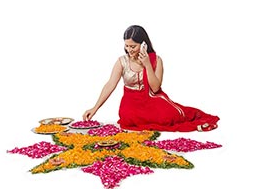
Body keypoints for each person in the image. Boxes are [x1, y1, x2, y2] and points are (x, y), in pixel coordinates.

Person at [82, 25, 219, 132]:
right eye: (127, 46)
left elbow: (155, 88)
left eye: (133, 46)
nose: (129, 50)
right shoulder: (122, 61)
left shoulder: (156, 60)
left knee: (168, 118)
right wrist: (95, 108)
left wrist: (147, 64)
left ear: (143, 44)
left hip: (151, 101)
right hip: (131, 105)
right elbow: (110, 85)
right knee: (129, 120)